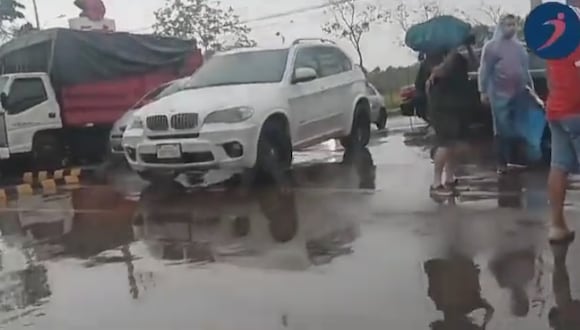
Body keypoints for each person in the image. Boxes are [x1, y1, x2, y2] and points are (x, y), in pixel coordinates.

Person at [478, 14, 533, 174]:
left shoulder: (519, 47)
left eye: (513, 24)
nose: (511, 27)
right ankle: (501, 162)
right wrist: (483, 91)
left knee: (518, 126)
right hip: (499, 93)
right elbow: (485, 70)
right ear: (501, 26)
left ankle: (516, 159)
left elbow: (525, 70)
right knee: (502, 128)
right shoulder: (491, 47)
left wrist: (531, 88)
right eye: (508, 24)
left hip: (519, 92)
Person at [544, 8, 580, 243]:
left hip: (556, 109)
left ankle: (557, 226)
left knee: (558, 167)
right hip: (576, 111)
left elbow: (549, 78)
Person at [427, 47, 473, 195]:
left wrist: (469, 49)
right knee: (445, 145)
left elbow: (473, 64)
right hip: (443, 111)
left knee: (454, 146)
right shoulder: (438, 64)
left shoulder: (457, 59)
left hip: (455, 109)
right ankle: (436, 183)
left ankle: (450, 179)